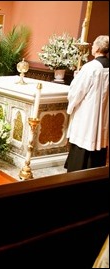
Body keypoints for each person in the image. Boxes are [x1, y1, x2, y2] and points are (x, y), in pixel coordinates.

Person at [64, 35, 109, 172]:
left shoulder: (91, 67)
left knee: (84, 139)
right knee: (99, 141)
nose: (92, 46)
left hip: (88, 115)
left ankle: (77, 171)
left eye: (94, 44)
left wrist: (76, 79)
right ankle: (95, 170)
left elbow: (77, 91)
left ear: (98, 48)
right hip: (104, 114)